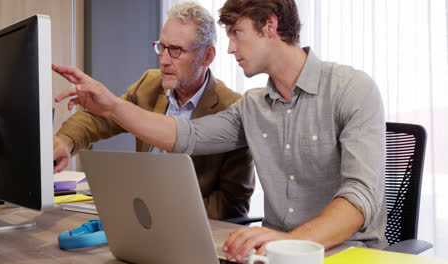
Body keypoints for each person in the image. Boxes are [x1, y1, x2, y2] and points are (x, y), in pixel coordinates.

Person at [53, 0, 387, 261]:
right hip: (270, 253)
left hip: (346, 253)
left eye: (236, 33)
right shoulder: (253, 105)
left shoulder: (352, 89)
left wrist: (290, 241)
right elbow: (187, 135)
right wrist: (111, 105)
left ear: (270, 25)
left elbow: (359, 199)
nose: (229, 48)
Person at [53, 2, 255, 221]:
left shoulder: (233, 108)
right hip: (138, 216)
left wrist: (161, 213)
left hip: (188, 228)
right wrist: (65, 141)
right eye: (162, 47)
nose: (164, 60)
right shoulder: (149, 84)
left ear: (207, 56)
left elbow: (232, 205)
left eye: (176, 50)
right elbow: (101, 118)